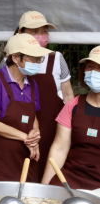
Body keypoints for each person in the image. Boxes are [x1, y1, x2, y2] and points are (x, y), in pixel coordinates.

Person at [0, 33, 51, 183]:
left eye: (39, 58)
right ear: (15, 58)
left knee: (25, 194)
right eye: (32, 58)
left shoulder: (32, 84)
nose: (37, 62)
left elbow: (33, 115)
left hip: (24, 156)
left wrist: (35, 133)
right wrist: (26, 138)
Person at [13, 11, 75, 181]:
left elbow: (68, 94)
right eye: (34, 31)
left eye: (44, 31)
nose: (41, 36)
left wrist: (73, 124)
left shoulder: (57, 59)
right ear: (21, 32)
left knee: (48, 168)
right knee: (20, 173)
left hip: (51, 129)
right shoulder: (11, 60)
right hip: (20, 129)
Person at [41, 46, 100, 189]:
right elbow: (59, 149)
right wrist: (44, 189)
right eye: (90, 67)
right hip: (71, 177)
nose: (93, 72)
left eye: (99, 68)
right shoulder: (73, 105)